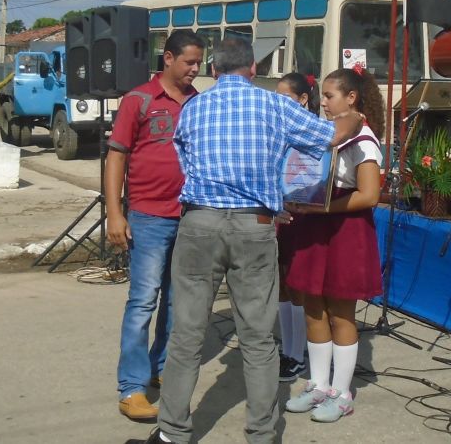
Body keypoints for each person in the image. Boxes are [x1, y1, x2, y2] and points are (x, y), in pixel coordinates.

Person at [147, 38, 364, 444]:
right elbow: (330, 137)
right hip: (254, 227)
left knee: (187, 335)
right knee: (259, 339)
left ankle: (172, 432)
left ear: (214, 69)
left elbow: (184, 165)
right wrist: (351, 118)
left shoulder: (192, 108)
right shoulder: (275, 105)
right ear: (252, 69)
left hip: (198, 224)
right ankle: (262, 435)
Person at [106, 30, 204, 421]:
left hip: (191, 217)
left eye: (199, 63)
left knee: (179, 302)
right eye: (189, 63)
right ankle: (131, 387)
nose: (195, 70)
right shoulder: (138, 100)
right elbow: (116, 157)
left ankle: (162, 368)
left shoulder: (199, 104)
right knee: (143, 301)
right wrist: (116, 212)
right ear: (167, 58)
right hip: (148, 217)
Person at [283, 66, 385, 423]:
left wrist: (323, 206)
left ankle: (342, 394)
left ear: (351, 98)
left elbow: (369, 195)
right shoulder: (325, 135)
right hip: (317, 226)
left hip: (346, 230)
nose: (323, 103)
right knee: (313, 306)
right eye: (323, 96)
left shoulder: (364, 141)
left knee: (341, 312)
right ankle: (318, 384)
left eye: (329, 96)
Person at [274, 72, 320, 383]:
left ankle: (297, 353)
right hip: (281, 211)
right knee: (282, 280)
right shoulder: (277, 128)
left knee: (299, 282)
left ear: (303, 99)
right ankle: (286, 350)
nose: (279, 103)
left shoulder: (314, 130)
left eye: (286, 98)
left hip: (307, 212)